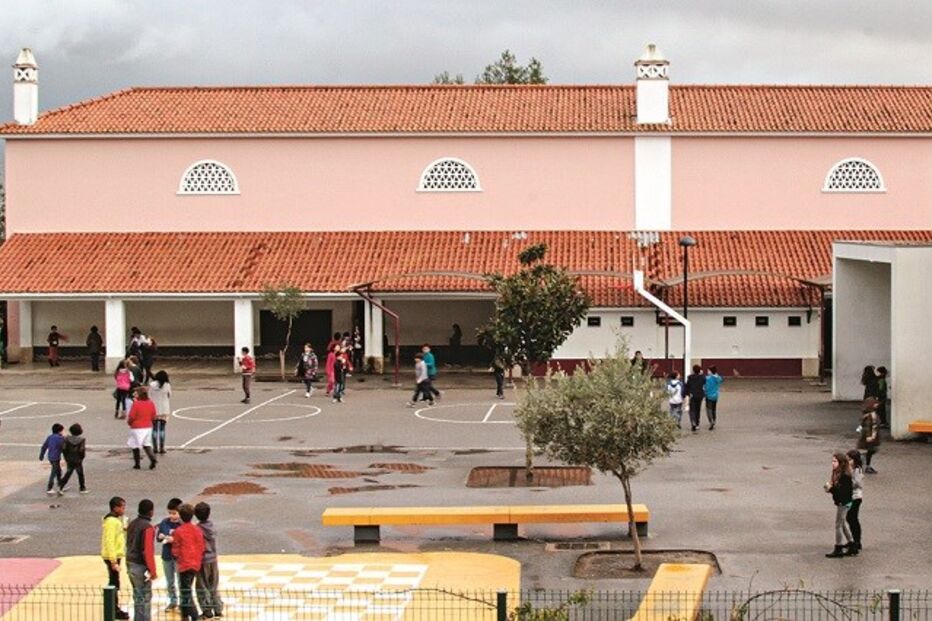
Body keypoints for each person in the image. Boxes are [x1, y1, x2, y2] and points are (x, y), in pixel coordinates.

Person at [172, 503, 205, 621]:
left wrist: (177, 557)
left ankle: (194, 615)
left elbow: (175, 549)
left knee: (185, 591)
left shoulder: (179, 531)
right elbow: (201, 547)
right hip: (195, 564)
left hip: (184, 564)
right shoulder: (197, 530)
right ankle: (185, 615)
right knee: (186, 589)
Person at [126, 498, 158, 621]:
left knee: (137, 595)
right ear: (151, 512)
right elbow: (148, 551)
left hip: (130, 562)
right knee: (145, 597)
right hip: (141, 565)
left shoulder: (132, 524)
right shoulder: (148, 527)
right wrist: (152, 571)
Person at [101, 496, 130, 619]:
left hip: (115, 555)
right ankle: (114, 609)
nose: (124, 509)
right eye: (122, 507)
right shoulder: (111, 522)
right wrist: (113, 561)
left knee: (115, 581)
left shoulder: (114, 521)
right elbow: (109, 541)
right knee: (114, 582)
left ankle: (115, 608)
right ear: (115, 508)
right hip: (112, 556)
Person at [194, 502, 223, 619]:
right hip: (213, 559)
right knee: (213, 585)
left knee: (202, 586)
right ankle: (218, 608)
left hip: (202, 560)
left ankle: (206, 610)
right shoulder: (212, 527)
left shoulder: (197, 529)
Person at [824, 451, 855, 558]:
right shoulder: (837, 473)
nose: (833, 463)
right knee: (842, 523)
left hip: (844, 502)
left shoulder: (844, 476)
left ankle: (839, 547)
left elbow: (842, 492)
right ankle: (852, 544)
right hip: (842, 502)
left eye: (835, 461)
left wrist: (831, 488)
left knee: (838, 525)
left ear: (841, 463)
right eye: (832, 461)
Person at [157, 498, 184, 613]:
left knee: (180, 581)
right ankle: (173, 601)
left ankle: (183, 603)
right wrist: (161, 536)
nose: (172, 516)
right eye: (170, 513)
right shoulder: (164, 522)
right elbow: (158, 537)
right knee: (169, 581)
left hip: (179, 557)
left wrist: (174, 539)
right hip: (167, 555)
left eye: (174, 513)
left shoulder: (183, 524)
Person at [127, 386, 158, 470]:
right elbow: (154, 415)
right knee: (147, 444)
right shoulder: (150, 403)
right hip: (148, 427)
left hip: (137, 427)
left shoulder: (136, 403)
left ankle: (137, 463)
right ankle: (152, 458)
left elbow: (132, 416)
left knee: (135, 445)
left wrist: (129, 422)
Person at [60, 423, 88, 494]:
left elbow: (64, 449)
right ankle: (82, 487)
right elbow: (81, 450)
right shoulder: (81, 440)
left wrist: (66, 457)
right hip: (78, 459)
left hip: (69, 458)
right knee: (80, 474)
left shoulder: (67, 439)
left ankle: (61, 487)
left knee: (68, 473)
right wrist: (81, 457)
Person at [845, 449, 864, 555]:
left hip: (856, 497)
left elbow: (858, 484)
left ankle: (857, 541)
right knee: (849, 518)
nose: (848, 462)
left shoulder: (857, 470)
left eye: (850, 459)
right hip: (849, 496)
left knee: (853, 518)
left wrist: (848, 482)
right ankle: (852, 540)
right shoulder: (848, 468)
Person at [39, 423, 66, 496]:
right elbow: (64, 448)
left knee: (58, 471)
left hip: (50, 457)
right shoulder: (60, 438)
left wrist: (41, 455)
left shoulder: (50, 437)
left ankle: (60, 485)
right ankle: (49, 487)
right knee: (54, 472)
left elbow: (44, 446)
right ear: (59, 431)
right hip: (56, 457)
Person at [149, 370, 172, 454]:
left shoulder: (152, 385)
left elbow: (149, 396)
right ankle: (162, 447)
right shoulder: (167, 385)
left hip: (154, 409)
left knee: (154, 429)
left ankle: (155, 447)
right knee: (162, 429)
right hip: (164, 409)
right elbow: (169, 395)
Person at [857, 398, 881, 474]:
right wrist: (869, 436)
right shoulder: (871, 415)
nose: (877, 405)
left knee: (871, 450)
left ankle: (865, 463)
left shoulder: (868, 414)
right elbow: (869, 426)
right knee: (871, 450)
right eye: (875, 403)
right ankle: (866, 465)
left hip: (870, 436)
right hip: (870, 436)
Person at [684, 365, 705, 432]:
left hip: (692, 395)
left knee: (692, 409)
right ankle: (697, 423)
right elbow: (704, 383)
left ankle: (693, 421)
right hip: (700, 395)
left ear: (693, 370)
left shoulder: (690, 377)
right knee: (698, 409)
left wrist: (686, 394)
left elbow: (687, 386)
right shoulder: (702, 377)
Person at [704, 366, 724, 430]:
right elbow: (721, 380)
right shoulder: (718, 378)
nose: (707, 372)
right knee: (714, 408)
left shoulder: (707, 378)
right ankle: (714, 420)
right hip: (715, 396)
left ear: (710, 371)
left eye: (708, 371)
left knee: (708, 409)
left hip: (708, 395)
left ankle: (711, 420)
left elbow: (705, 386)